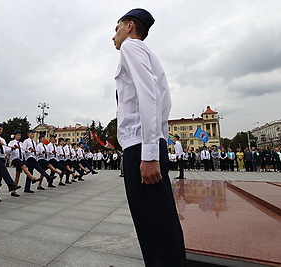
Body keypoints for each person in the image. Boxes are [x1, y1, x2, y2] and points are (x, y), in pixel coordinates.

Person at [113, 8, 186, 266]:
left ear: (130, 26)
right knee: (162, 223)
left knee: (151, 226)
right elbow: (162, 101)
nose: (114, 35)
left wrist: (149, 154)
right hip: (150, 142)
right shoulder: (148, 54)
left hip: (139, 147)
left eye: (117, 28)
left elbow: (148, 95)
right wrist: (158, 144)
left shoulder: (130, 48)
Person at [0, 123, 21, 202]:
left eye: (1, 129)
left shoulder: (3, 140)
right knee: (3, 168)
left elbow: (5, 150)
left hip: (1, 157)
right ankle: (11, 185)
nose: (0, 131)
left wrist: (12, 149)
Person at [7, 129, 38, 197]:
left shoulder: (21, 144)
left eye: (20, 135)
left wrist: (29, 151)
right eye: (18, 135)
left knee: (18, 174)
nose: (19, 136)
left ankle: (13, 191)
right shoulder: (12, 142)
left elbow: (24, 152)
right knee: (23, 167)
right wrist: (13, 148)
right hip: (15, 159)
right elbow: (7, 150)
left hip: (20, 159)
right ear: (15, 136)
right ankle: (32, 177)